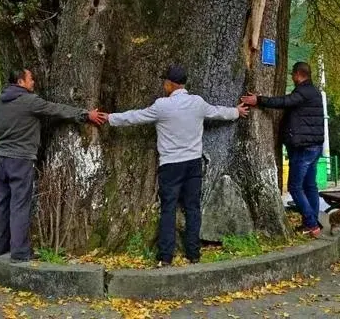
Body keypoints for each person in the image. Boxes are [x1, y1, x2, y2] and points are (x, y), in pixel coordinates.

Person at [104, 65, 249, 267]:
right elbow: (217, 112)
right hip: (193, 163)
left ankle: (166, 256)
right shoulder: (197, 103)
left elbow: (135, 116)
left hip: (171, 165)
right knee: (192, 208)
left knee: (168, 209)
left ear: (170, 84)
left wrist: (110, 118)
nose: (164, 85)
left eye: (165, 82)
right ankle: (193, 253)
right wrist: (236, 111)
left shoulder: (162, 106)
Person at [0, 68, 107, 262]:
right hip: (21, 159)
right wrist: (85, 114)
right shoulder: (29, 100)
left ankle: (0, 246)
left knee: (1, 205)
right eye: (31, 79)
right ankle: (19, 252)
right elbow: (56, 109)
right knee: (20, 205)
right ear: (20, 81)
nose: (34, 82)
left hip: (2, 158)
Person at [240, 61, 324, 237]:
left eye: (293, 75)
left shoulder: (303, 92)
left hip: (303, 148)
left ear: (298, 74)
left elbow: (285, 102)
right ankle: (313, 222)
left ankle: (311, 224)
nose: (292, 78)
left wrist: (259, 100)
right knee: (310, 186)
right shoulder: (313, 91)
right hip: (314, 146)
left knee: (295, 187)